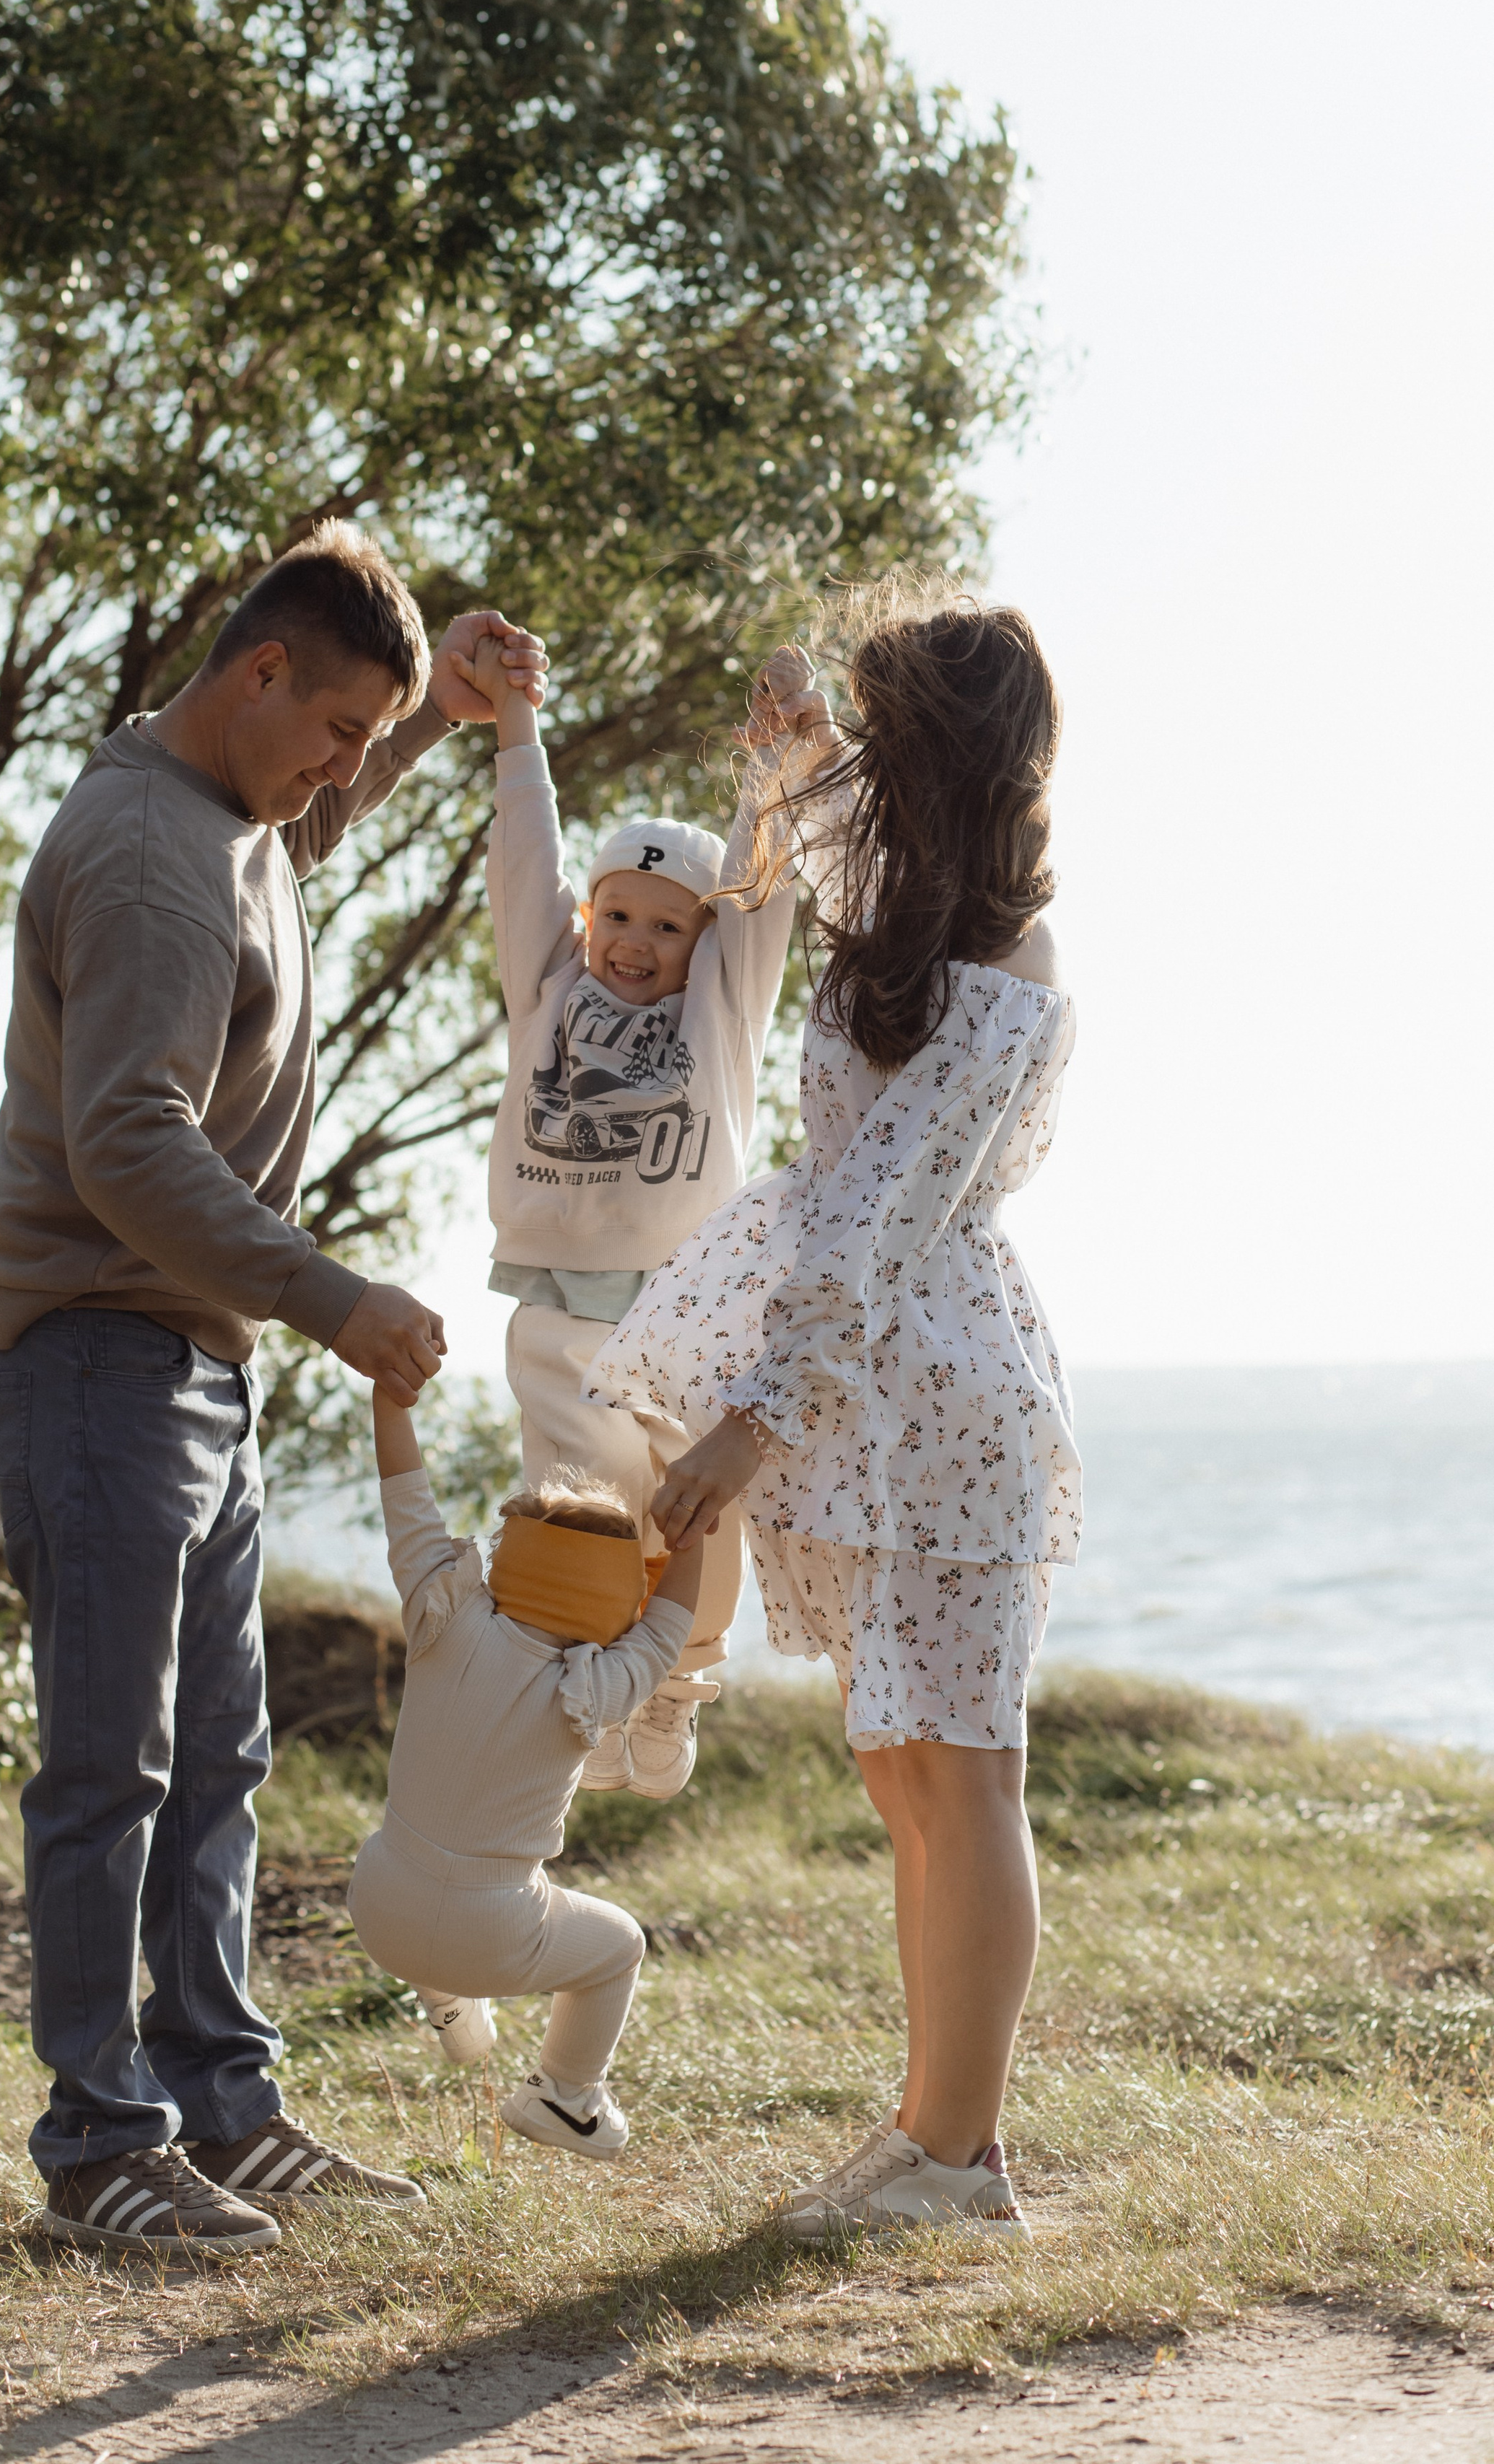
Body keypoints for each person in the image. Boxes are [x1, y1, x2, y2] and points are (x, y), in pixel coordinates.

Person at [0, 522, 546, 2259]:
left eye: (369, 740)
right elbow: (125, 1139)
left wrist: (433, 714)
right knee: (110, 1765)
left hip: (177, 1349)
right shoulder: (150, 854)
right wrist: (328, 1294)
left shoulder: (226, 808)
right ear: (261, 669)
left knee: (214, 1754)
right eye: (338, 728)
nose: (343, 770)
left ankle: (223, 2101)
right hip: (91, 1342)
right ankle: (97, 2139)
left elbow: (302, 834)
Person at [589, 583, 1080, 2242]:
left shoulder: (1008, 968)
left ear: (943, 758)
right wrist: (788, 738)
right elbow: (791, 836)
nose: (862, 756)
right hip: (875, 1388)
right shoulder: (901, 903)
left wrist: (749, 1419)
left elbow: (876, 1213)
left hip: (931, 1380)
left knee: (963, 1768)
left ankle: (957, 2154)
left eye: (886, 729)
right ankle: (925, 2134)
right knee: (900, 1761)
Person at [473, 628, 830, 1802]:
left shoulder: (719, 1017)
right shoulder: (548, 987)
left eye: (667, 926)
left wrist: (775, 756)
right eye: (617, 917)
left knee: (692, 1516)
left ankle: (675, 1688)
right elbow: (525, 864)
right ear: (588, 924)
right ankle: (578, 1701)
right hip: (557, 1319)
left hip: (689, 1320)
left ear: (702, 943)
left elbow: (757, 886)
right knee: (573, 1530)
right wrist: (518, 728)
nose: (636, 941)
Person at [346, 1384, 708, 2159]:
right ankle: (567, 2096)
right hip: (494, 1930)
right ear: (616, 1603)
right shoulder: (599, 1684)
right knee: (618, 1945)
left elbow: (405, 1501)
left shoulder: (443, 1616)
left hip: (379, 1905)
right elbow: (674, 1616)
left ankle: (451, 2010)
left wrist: (391, 1400)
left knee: (419, 1865)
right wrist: (695, 1525)